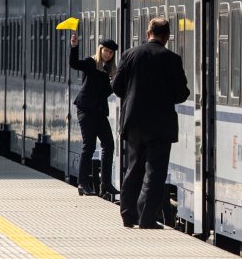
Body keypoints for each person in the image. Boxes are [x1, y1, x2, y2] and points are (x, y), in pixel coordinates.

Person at [111, 17, 190, 229]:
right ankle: (146, 218)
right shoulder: (172, 58)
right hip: (160, 124)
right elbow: (182, 93)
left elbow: (117, 88)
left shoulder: (130, 55)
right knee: (155, 172)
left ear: (148, 33)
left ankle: (128, 215)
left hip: (134, 121)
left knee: (134, 167)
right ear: (167, 37)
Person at [68, 32, 118, 198]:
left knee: (109, 144)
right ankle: (82, 183)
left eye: (111, 53)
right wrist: (74, 47)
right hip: (86, 109)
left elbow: (106, 92)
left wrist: (114, 81)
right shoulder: (91, 63)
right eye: (106, 51)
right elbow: (74, 64)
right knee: (88, 145)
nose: (108, 54)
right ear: (100, 49)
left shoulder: (108, 71)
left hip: (99, 111)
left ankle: (106, 183)